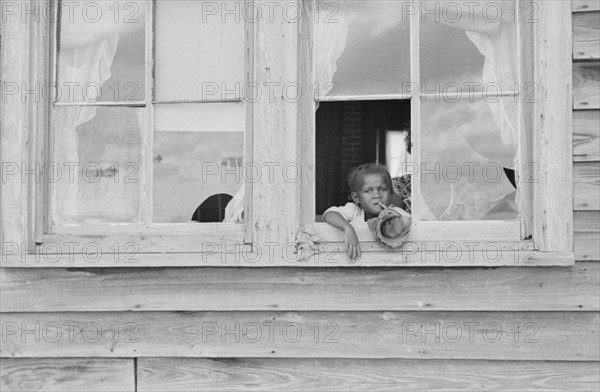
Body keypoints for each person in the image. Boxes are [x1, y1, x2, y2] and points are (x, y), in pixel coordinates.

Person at [323, 163, 402, 260]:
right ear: (356, 198)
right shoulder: (355, 211)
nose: (377, 195)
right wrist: (347, 227)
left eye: (382, 189)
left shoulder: (395, 213)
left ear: (390, 193)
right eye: (368, 191)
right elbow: (329, 214)